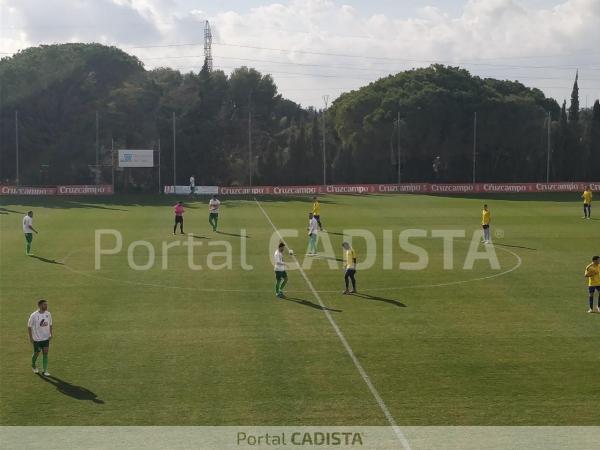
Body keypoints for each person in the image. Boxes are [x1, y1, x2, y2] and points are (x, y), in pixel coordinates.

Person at [28, 299, 53, 376]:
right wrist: (31, 337)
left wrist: (50, 334)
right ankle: (33, 365)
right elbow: (29, 326)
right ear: (39, 305)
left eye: (46, 304)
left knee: (45, 353)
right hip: (37, 339)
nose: (46, 306)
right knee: (37, 353)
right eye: (44, 304)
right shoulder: (34, 315)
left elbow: (50, 324)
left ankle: (44, 370)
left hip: (46, 338)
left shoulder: (48, 314)